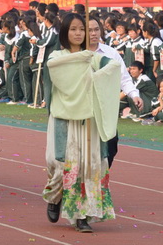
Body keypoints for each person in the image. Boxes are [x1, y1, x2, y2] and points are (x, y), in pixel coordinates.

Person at [43, 13, 120, 232]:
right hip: (64, 118)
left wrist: (100, 74)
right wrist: (82, 58)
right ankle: (55, 196)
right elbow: (56, 67)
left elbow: (112, 66)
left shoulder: (93, 57)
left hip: (88, 120)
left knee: (88, 166)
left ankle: (82, 215)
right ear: (65, 32)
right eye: (73, 29)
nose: (78, 33)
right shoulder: (57, 55)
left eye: (82, 29)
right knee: (57, 163)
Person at [87, 18, 142, 167]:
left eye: (96, 29)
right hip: (84, 108)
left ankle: (102, 177)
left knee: (111, 143)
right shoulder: (77, 54)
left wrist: (134, 94)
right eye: (89, 30)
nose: (93, 33)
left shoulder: (110, 53)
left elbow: (124, 78)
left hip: (106, 108)